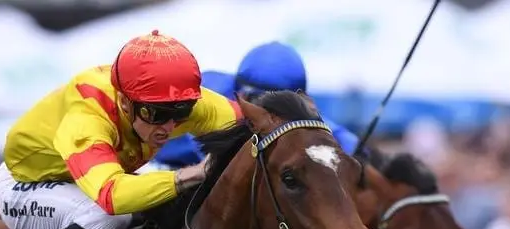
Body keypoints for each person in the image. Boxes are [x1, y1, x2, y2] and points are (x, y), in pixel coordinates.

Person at [0, 30, 242, 229]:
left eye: (181, 113)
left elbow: (254, 123)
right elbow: (112, 197)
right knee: (111, 216)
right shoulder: (88, 116)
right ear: (124, 102)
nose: (168, 127)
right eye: (156, 114)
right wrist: (190, 174)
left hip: (84, 181)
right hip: (27, 186)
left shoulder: (170, 100)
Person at [152, 41, 361, 169]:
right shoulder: (205, 94)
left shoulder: (300, 113)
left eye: (279, 111)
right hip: (152, 164)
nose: (265, 117)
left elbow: (338, 135)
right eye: (256, 102)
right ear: (240, 92)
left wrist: (359, 153)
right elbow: (216, 163)